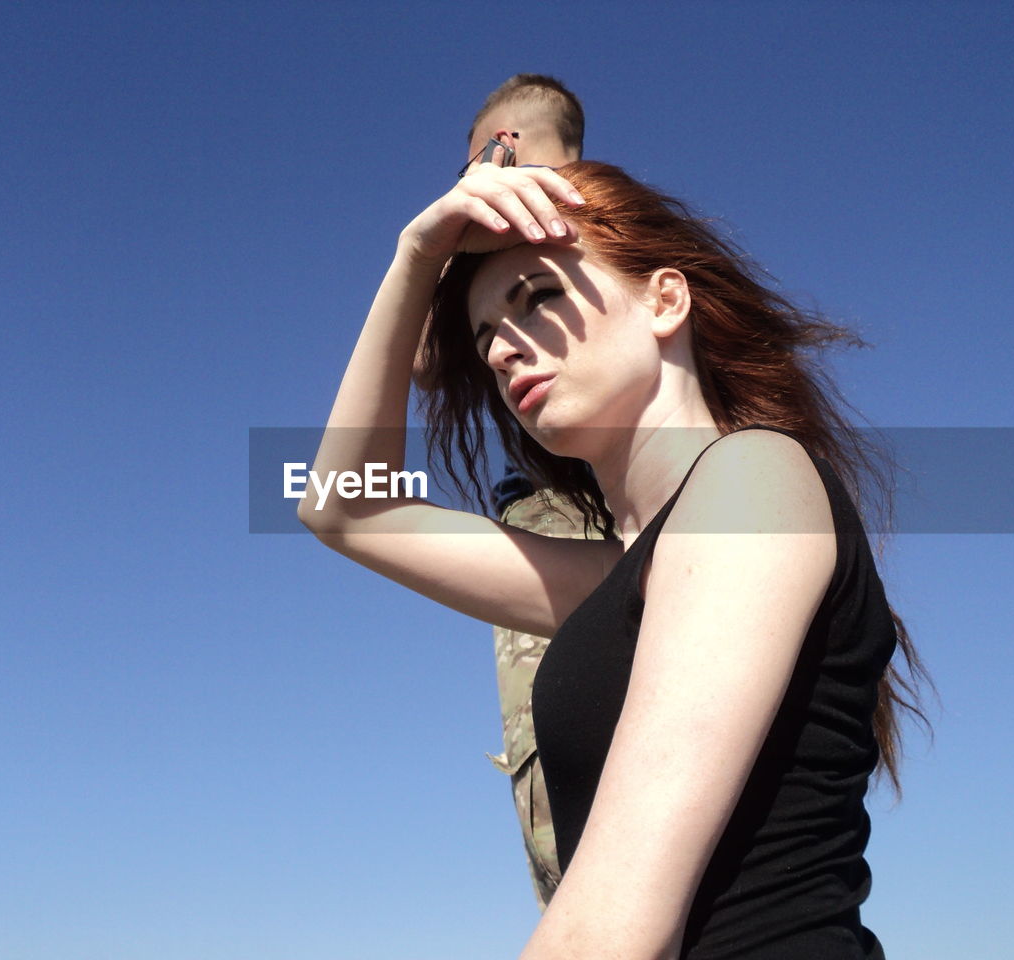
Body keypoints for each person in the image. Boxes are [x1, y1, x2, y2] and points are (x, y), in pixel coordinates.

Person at [299, 157, 924, 957]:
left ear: (665, 300)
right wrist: (412, 263)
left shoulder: (753, 478)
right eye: (486, 336)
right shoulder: (621, 575)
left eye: (540, 297)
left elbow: (612, 931)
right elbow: (346, 508)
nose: (500, 354)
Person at [458, 73, 592, 910]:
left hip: (582, 518)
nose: (505, 352)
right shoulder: (500, 264)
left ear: (503, 142)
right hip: (549, 514)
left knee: (567, 765)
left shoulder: (583, 239)